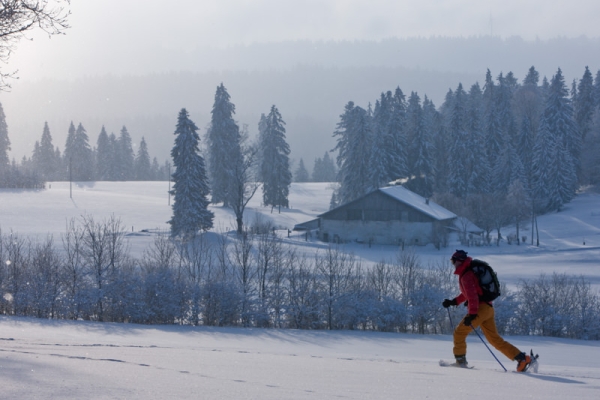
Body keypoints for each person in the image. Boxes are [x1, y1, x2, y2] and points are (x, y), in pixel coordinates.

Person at [442, 249, 532, 372]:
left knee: (459, 333)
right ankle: (522, 358)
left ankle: (460, 363)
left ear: (459, 261)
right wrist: (454, 301)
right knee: (495, 339)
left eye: (453, 261)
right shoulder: (469, 273)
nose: (453, 264)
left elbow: (472, 296)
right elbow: (468, 294)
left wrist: (472, 315)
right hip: (488, 309)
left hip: (480, 309)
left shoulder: (466, 275)